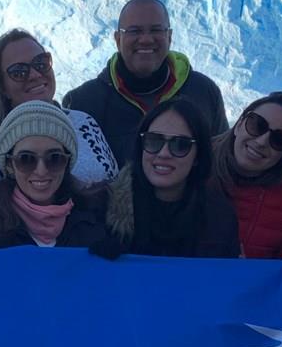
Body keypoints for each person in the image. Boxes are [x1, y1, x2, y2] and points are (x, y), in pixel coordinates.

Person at [63, 0, 228, 165]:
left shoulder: (203, 92)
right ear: (118, 39)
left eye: (156, 30)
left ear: (169, 36)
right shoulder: (82, 103)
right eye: (134, 31)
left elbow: (221, 164)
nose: (146, 39)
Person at [0, 100, 107, 252]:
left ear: (67, 162)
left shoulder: (98, 221)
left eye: (55, 158)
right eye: (26, 159)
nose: (41, 171)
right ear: (9, 165)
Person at [0, 28, 117, 190]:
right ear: (2, 86)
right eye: (18, 72)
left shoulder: (84, 123)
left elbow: (116, 186)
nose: (35, 75)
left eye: (41, 63)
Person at [101, 97, 240, 258]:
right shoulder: (102, 209)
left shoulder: (221, 219)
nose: (164, 153)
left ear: (198, 156)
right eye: (153, 141)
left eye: (181, 145)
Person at [211, 92, 282, 263]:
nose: (261, 142)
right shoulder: (192, 167)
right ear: (239, 124)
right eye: (257, 125)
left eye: (280, 139)